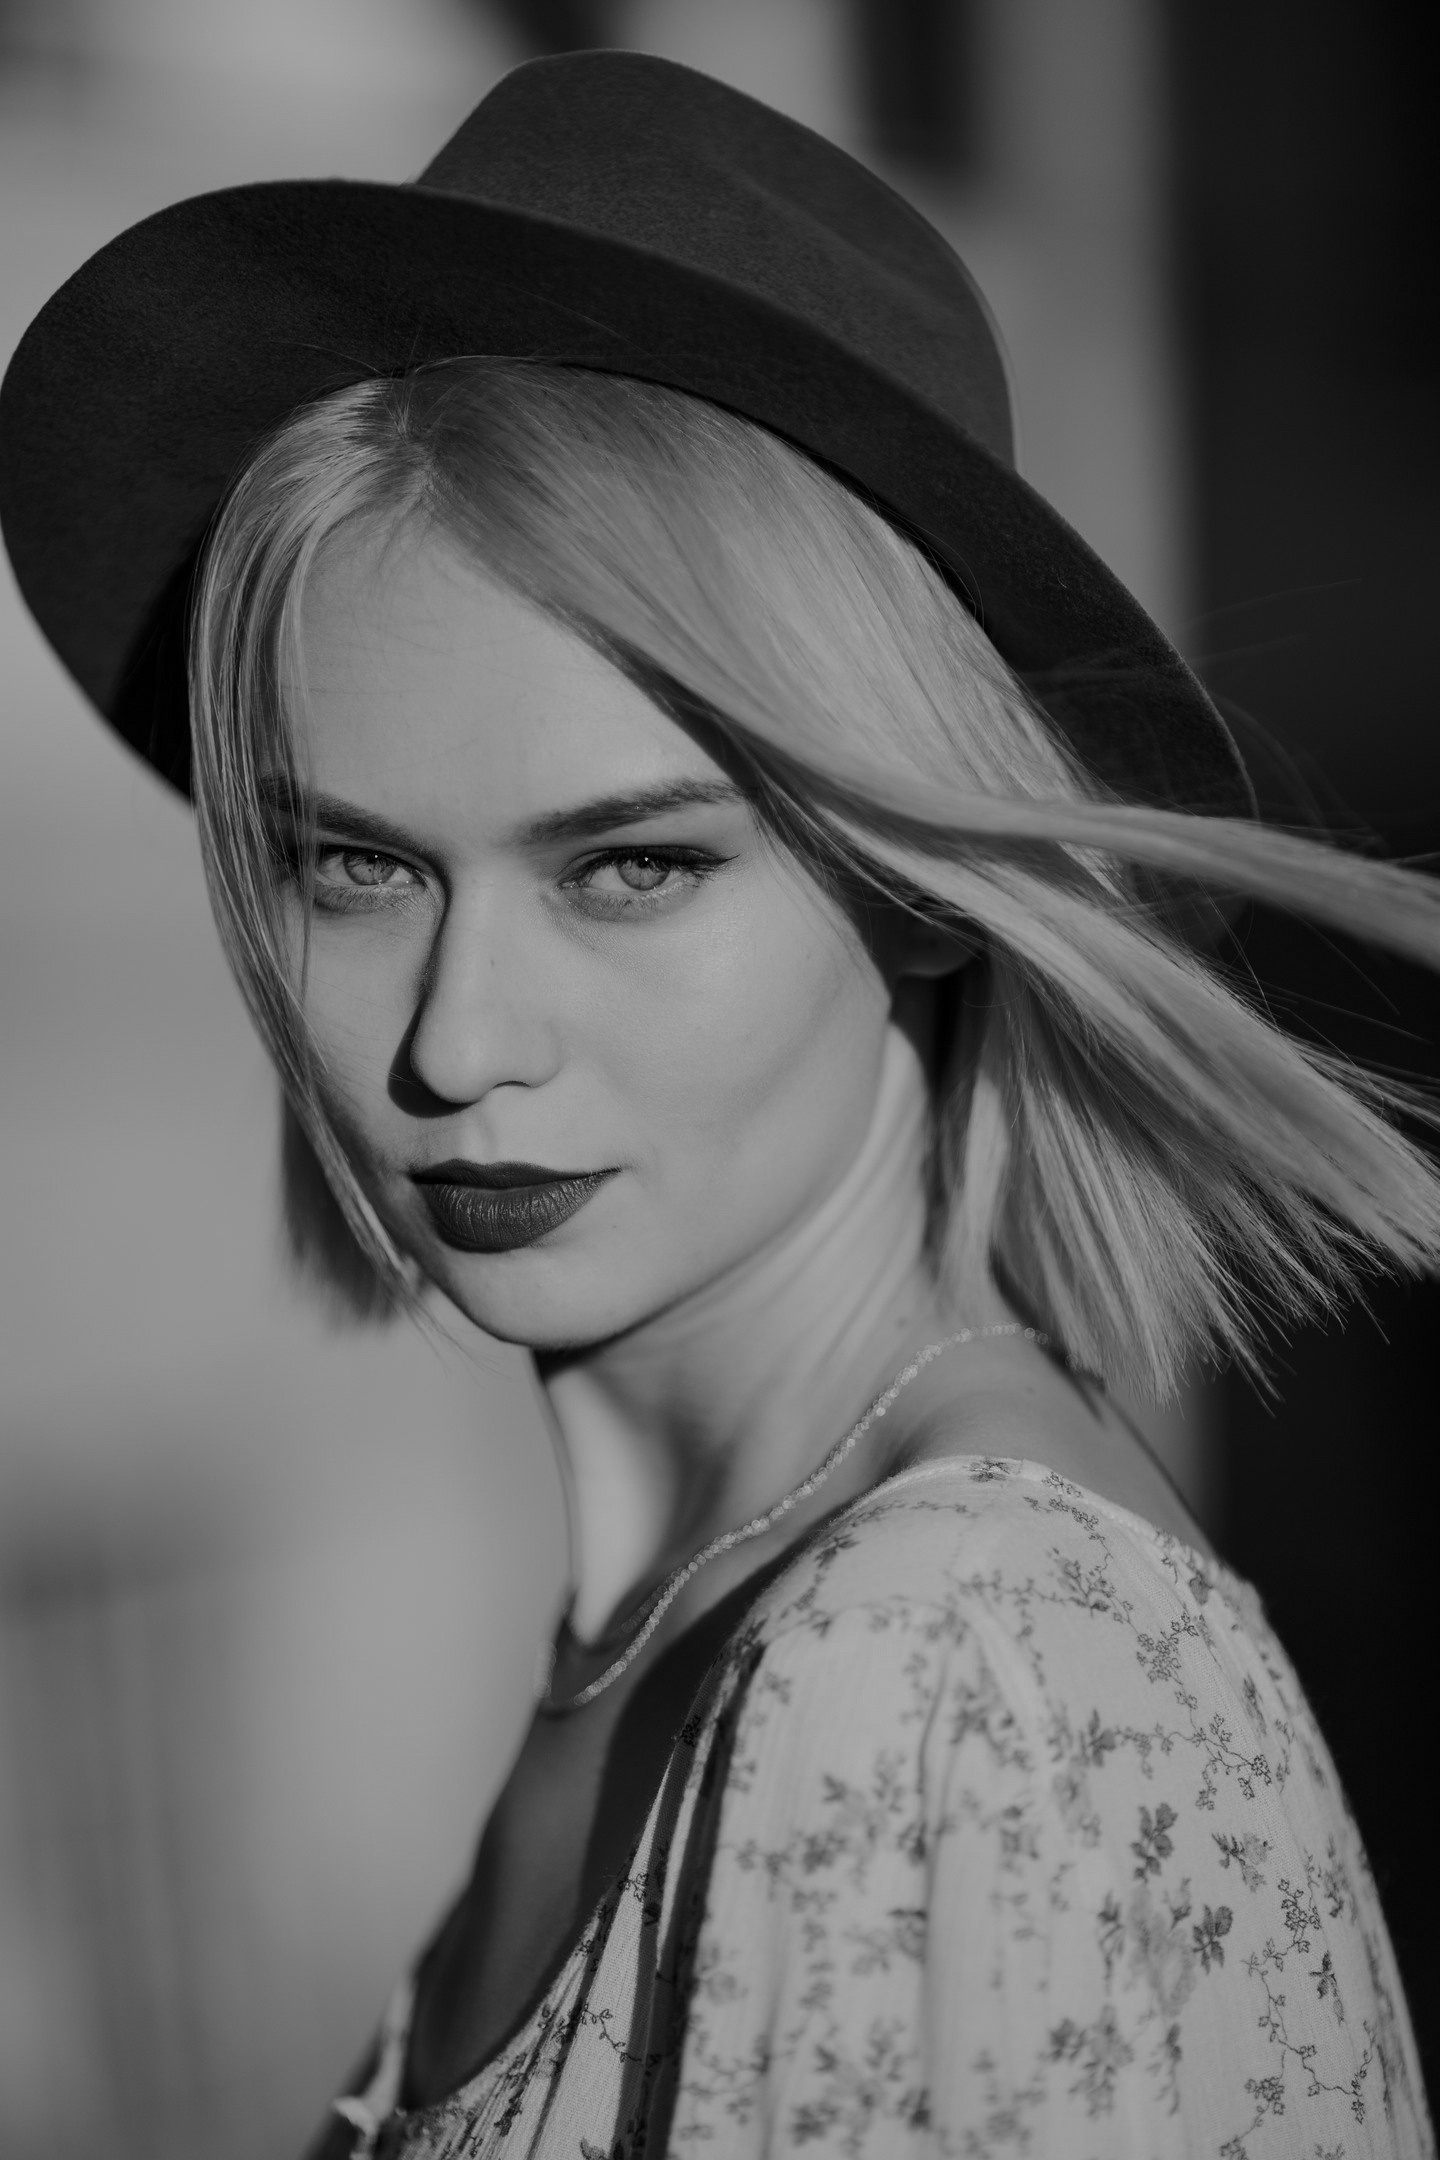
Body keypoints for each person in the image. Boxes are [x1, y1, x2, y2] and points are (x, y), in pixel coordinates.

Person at [2, 49, 1435, 2160]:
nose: (458, 1043)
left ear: (921, 888)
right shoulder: (718, 1608)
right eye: (357, 866)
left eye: (632, 868)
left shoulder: (945, 1669)